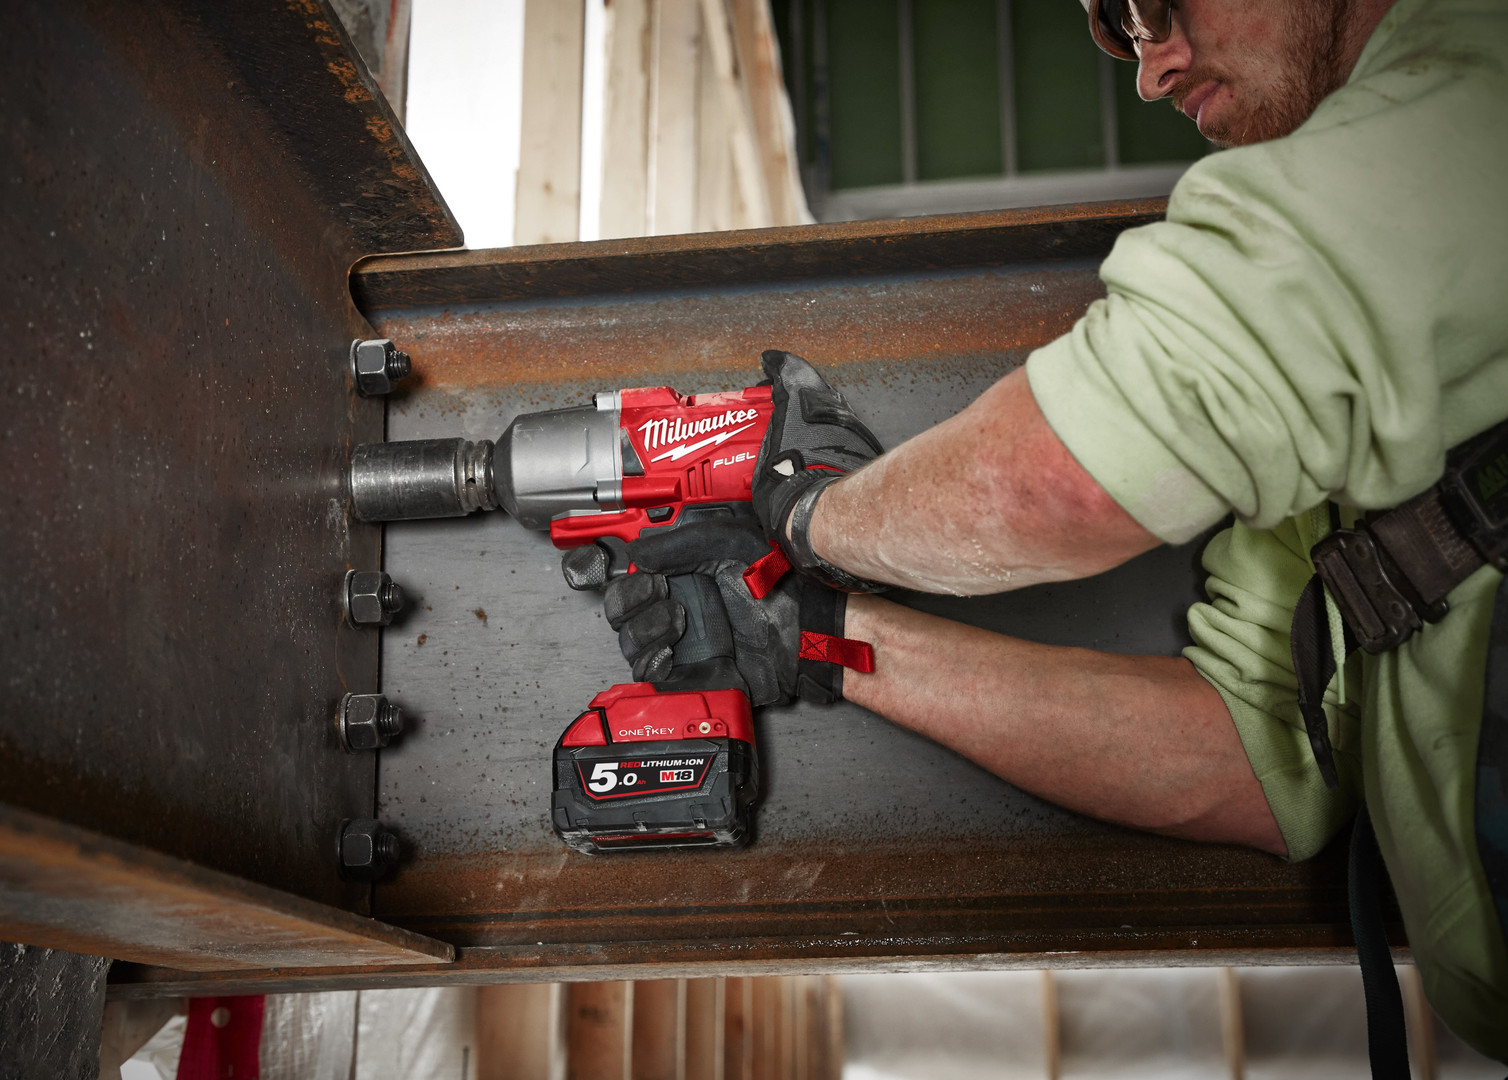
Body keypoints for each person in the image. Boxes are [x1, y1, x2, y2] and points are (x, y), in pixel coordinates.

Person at [599, 0, 1508, 1061]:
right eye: (1126, 35)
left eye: (1154, 6)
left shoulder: (1477, 86)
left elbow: (1063, 480)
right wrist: (824, 636)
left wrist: (806, 517)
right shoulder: (1342, 411)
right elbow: (1251, 761)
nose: (1151, 71)